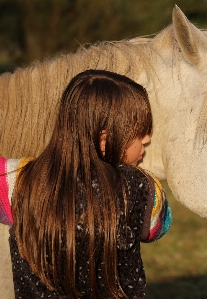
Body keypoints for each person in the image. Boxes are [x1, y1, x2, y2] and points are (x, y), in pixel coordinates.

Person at [0, 70, 172, 299]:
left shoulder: (18, 182)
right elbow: (159, 227)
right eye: (139, 132)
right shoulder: (139, 187)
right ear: (104, 140)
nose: (147, 138)